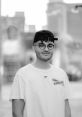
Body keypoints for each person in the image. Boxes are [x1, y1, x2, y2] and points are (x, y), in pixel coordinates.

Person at [10, 30, 71, 117]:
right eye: (41, 45)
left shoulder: (61, 74)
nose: (46, 49)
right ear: (33, 47)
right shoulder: (22, 75)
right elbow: (16, 112)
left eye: (50, 45)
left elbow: (66, 109)